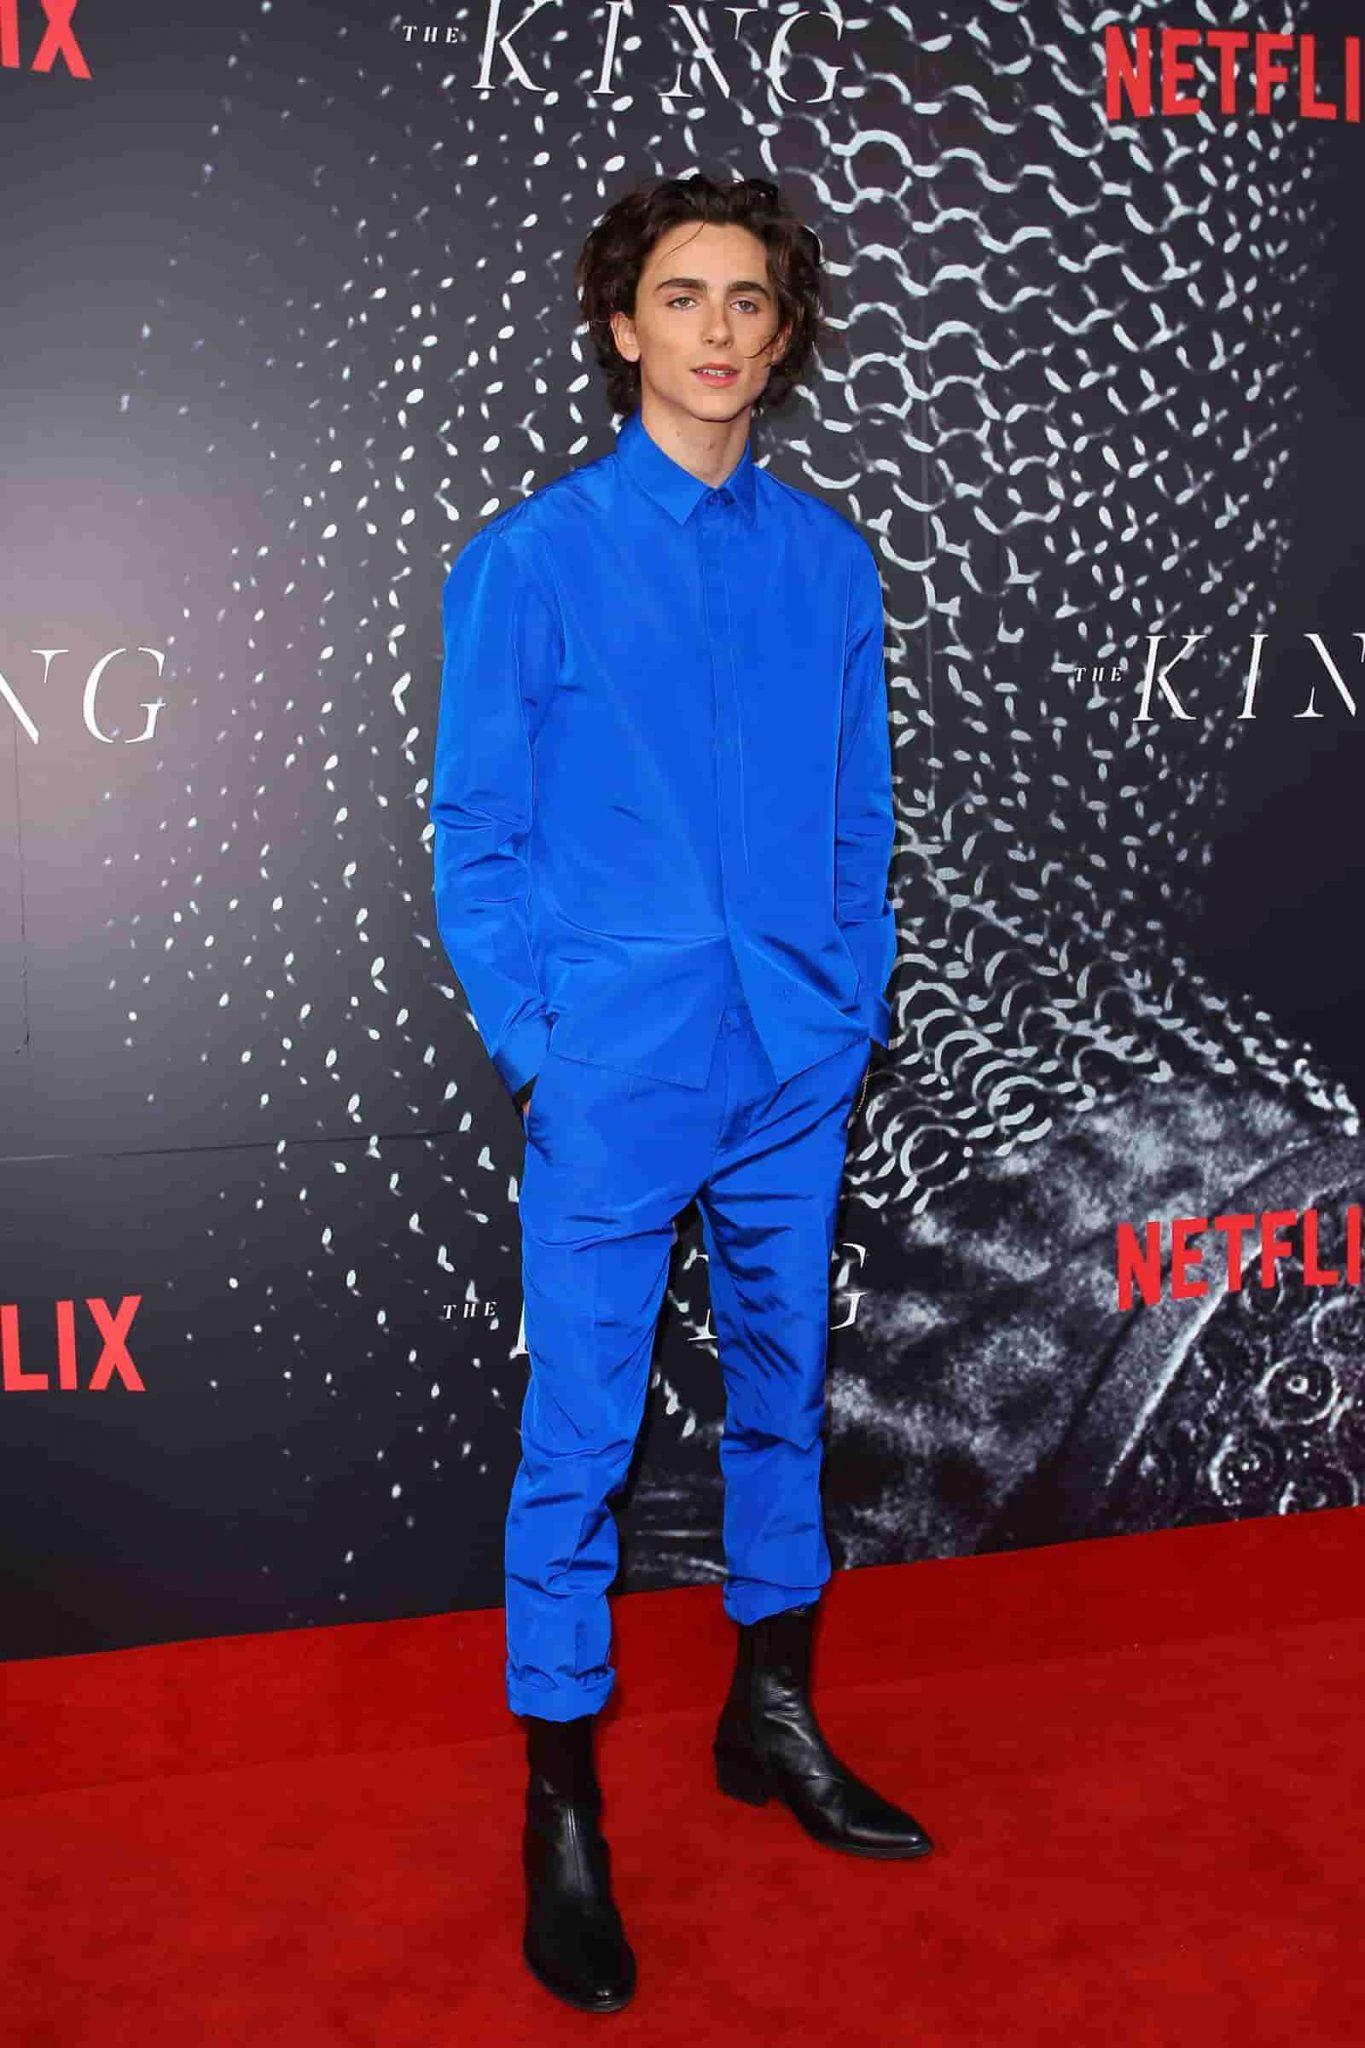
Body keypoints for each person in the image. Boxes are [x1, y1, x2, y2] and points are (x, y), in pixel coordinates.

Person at [431, 171, 930, 2016]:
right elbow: (475, 836)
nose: (716, 329)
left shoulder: (827, 562)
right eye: (681, 296)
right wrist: (543, 1042)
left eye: (748, 301)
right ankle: (561, 1807)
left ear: (781, 339)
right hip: (617, 1071)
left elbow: (860, 811)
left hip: (796, 1055)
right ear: (619, 325)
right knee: (581, 1440)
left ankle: (768, 1717)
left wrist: (847, 997)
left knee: (786, 1398)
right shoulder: (532, 559)